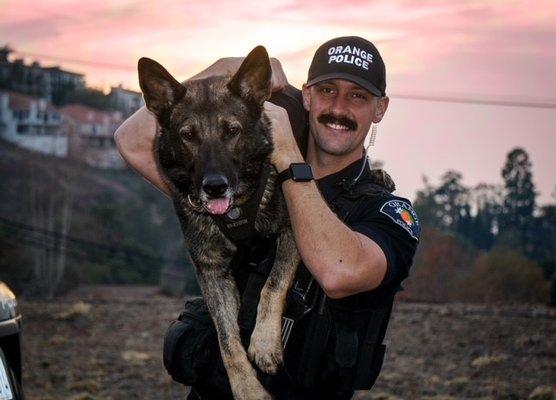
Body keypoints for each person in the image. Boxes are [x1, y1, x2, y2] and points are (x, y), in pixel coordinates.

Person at [115, 36, 420, 399]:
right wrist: (228, 68)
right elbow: (131, 141)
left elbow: (340, 273)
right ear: (306, 96)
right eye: (327, 90)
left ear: (380, 109)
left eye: (358, 96)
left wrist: (290, 158)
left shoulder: (386, 211)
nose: (338, 108)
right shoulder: (238, 181)